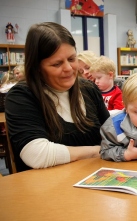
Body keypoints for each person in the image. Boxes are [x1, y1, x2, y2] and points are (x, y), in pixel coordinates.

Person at [5, 22, 110, 172]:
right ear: (37, 67)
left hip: (95, 183)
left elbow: (110, 134)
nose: (68, 68)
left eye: (72, 59)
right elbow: (36, 154)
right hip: (48, 190)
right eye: (56, 64)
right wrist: (98, 151)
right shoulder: (21, 96)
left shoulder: (89, 89)